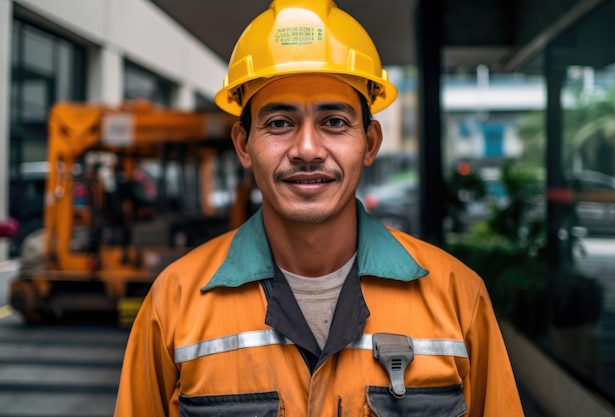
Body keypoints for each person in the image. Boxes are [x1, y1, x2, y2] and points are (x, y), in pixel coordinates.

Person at [114, 0, 525, 416]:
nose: (307, 150)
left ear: (370, 143)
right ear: (243, 145)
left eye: (333, 122)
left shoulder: (457, 298)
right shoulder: (175, 302)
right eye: (279, 123)